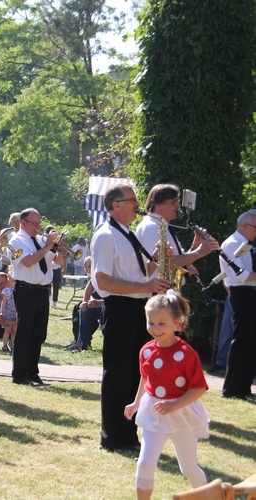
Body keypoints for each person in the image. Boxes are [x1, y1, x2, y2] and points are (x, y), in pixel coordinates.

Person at [91, 182, 168, 452]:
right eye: (132, 200)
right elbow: (103, 280)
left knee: (136, 375)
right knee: (117, 375)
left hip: (136, 309)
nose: (137, 204)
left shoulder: (127, 232)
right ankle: (111, 436)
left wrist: (157, 258)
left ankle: (128, 433)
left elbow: (138, 273)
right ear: (116, 205)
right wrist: (146, 287)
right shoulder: (105, 235)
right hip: (120, 309)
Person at [124, 291, 209, 499]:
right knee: (145, 463)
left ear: (177, 323)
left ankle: (210, 496)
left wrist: (174, 405)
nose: (155, 328)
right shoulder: (146, 351)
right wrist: (136, 403)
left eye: (162, 323)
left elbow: (198, 387)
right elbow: (146, 378)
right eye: (151, 322)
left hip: (182, 416)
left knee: (188, 468)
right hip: (154, 414)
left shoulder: (187, 354)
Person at [9, 208, 63, 386]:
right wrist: (48, 246)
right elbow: (28, 261)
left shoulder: (40, 240)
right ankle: (19, 374)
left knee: (38, 334)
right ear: (23, 223)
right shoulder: (17, 240)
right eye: (34, 224)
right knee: (25, 333)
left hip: (42, 290)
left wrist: (59, 247)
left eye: (39, 223)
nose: (38, 227)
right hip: (26, 290)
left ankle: (33, 373)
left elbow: (58, 262)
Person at [135, 183, 219, 287]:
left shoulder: (162, 225)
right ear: (158, 204)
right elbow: (164, 263)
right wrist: (199, 252)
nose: (178, 205)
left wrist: (195, 245)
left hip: (168, 290)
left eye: (177, 201)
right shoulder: (150, 227)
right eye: (173, 201)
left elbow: (179, 259)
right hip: (157, 293)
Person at [218, 209, 256, 399]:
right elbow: (240, 276)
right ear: (244, 226)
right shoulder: (232, 243)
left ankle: (244, 386)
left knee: (250, 340)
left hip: (249, 293)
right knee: (241, 340)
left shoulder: (246, 243)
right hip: (242, 293)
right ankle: (232, 388)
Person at [45, 225, 65, 309]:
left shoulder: (56, 243)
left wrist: (60, 247)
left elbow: (61, 258)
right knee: (47, 286)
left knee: (56, 286)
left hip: (56, 268)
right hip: (48, 267)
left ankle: (54, 302)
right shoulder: (44, 243)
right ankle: (48, 301)